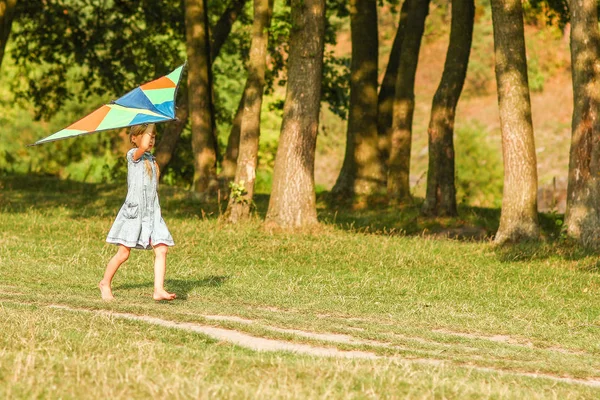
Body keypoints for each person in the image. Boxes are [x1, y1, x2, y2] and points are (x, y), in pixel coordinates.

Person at [99, 123, 176, 301]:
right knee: (124, 253)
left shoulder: (151, 160)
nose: (151, 140)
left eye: (153, 136)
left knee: (162, 248)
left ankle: (158, 290)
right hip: (134, 214)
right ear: (134, 138)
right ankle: (105, 283)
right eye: (147, 135)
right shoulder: (133, 156)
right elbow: (142, 147)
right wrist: (151, 121)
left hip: (152, 214)